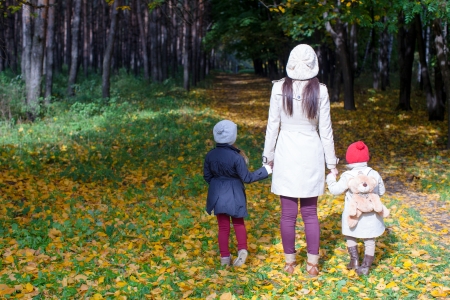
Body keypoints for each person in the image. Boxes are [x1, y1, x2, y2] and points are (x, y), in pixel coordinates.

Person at [262, 44, 339, 276]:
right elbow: (326, 131)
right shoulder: (320, 91)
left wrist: (268, 157)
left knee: (287, 214)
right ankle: (313, 265)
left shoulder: (278, 88)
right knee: (310, 213)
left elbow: (272, 126)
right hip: (311, 151)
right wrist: (332, 164)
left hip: (286, 151)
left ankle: (289, 263)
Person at [204, 120, 272, 267]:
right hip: (235, 194)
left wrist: (217, 184)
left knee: (223, 227)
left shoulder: (210, 155)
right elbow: (247, 178)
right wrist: (266, 170)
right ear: (232, 137)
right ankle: (242, 250)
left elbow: (207, 176)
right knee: (238, 223)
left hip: (217, 196)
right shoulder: (236, 157)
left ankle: (224, 258)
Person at [326, 141, 386, 276]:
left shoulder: (347, 175)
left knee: (350, 234)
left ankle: (354, 261)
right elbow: (382, 191)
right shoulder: (374, 173)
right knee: (369, 240)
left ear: (349, 158)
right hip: (371, 216)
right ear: (367, 157)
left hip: (353, 215)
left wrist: (330, 179)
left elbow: (335, 190)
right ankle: (365, 267)